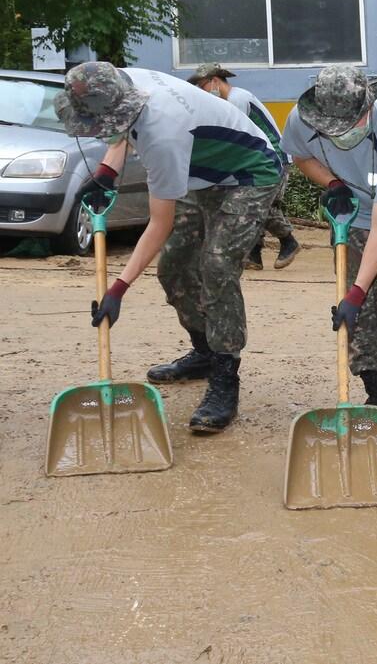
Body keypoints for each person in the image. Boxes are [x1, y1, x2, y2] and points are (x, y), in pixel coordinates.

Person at [59, 62, 282, 433]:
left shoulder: (163, 134)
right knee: (173, 267)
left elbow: (158, 226)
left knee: (216, 265)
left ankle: (225, 378)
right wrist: (105, 174)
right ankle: (205, 352)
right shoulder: (121, 80)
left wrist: (118, 288)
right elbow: (122, 129)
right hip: (199, 171)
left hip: (248, 172)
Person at [279, 65, 377, 415]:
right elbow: (300, 155)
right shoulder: (301, 119)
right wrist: (333, 184)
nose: (341, 133)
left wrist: (358, 289)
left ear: (367, 109)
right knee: (358, 308)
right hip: (351, 211)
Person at [188, 63, 301, 271]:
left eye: (201, 86)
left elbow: (231, 134)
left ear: (214, 81)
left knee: (258, 203)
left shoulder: (237, 100)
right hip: (254, 160)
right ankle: (254, 254)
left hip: (272, 159)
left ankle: (288, 240)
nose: (201, 92)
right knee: (251, 204)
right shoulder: (228, 100)